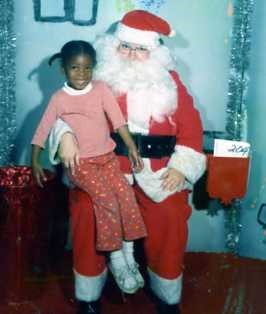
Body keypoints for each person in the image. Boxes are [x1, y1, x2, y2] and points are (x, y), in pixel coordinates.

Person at [49, 10, 206, 314]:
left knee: (171, 215)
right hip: (102, 166)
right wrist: (65, 135)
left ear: (155, 52)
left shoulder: (170, 81)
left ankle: (166, 295)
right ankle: (89, 294)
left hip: (157, 171)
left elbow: (192, 127)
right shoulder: (96, 77)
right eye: (125, 47)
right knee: (87, 211)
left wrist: (180, 166)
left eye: (141, 49)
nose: (132, 55)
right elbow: (64, 113)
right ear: (113, 47)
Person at [31, 40, 147, 296]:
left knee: (126, 195)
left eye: (87, 69)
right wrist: (35, 160)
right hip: (82, 165)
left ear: (94, 68)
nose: (81, 75)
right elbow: (42, 130)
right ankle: (116, 259)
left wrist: (132, 148)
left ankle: (129, 257)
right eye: (75, 68)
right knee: (105, 199)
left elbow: (118, 122)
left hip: (107, 158)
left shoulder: (102, 90)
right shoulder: (59, 99)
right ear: (63, 69)